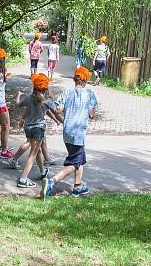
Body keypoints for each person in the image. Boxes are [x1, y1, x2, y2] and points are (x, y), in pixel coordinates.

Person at [41, 67, 97, 198]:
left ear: (75, 79)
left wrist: (59, 108)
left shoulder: (67, 92)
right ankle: (51, 181)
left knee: (80, 159)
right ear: (86, 80)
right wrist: (91, 112)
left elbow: (58, 109)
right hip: (78, 134)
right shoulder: (89, 94)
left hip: (67, 132)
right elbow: (91, 114)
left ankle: (77, 187)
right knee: (74, 163)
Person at [14, 74, 58, 188]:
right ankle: (23, 179)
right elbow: (57, 111)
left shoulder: (29, 97)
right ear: (46, 88)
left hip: (28, 128)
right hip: (39, 129)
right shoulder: (47, 100)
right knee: (33, 154)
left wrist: (18, 95)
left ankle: (43, 172)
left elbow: (18, 104)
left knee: (37, 151)